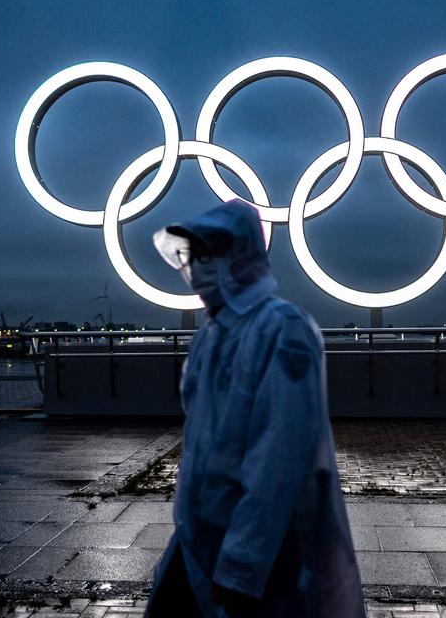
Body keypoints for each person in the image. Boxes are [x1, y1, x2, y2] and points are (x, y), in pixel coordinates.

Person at [146, 200, 364, 618]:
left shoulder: (283, 329)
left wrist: (242, 565)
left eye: (206, 255)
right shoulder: (210, 336)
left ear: (239, 254)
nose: (195, 268)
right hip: (200, 539)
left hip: (265, 548)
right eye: (192, 257)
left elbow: (280, 454)